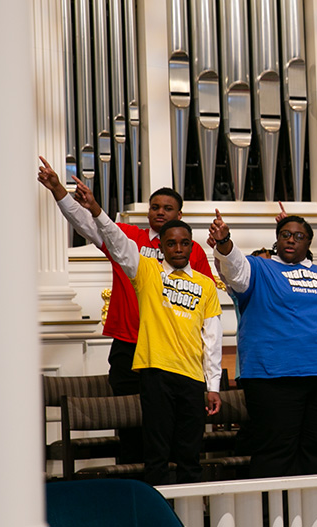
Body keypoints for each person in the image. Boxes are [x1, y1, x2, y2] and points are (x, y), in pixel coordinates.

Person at [37, 156, 214, 463]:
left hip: (175, 354)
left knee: (175, 432)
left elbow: (203, 304)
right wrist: (59, 192)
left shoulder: (191, 249)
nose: (159, 212)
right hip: (129, 346)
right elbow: (89, 224)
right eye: (155, 206)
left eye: (167, 208)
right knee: (132, 428)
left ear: (179, 214)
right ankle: (136, 490)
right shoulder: (129, 238)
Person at [70, 176, 222, 486]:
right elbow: (111, 237)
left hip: (191, 373)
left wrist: (214, 382)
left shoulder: (204, 281)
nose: (177, 248)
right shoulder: (146, 267)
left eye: (183, 243)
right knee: (151, 448)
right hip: (151, 364)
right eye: (170, 243)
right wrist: (94, 207)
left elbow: (212, 334)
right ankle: (147, 508)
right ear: (161, 247)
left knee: (189, 451)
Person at [209, 210, 317, 477]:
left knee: (316, 447)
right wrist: (225, 241)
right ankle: (273, 514)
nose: (291, 239)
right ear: (277, 239)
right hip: (273, 375)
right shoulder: (260, 267)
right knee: (276, 448)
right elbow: (235, 269)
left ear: (309, 243)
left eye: (299, 236)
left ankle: (310, 512)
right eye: (286, 234)